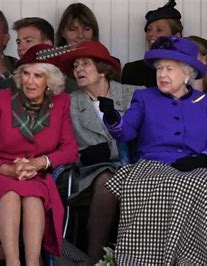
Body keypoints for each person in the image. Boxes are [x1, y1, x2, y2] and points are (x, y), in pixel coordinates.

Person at [101, 36, 207, 264]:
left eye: (169, 69)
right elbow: (126, 132)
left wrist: (204, 159)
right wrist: (112, 118)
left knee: (201, 184)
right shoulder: (144, 97)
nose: (162, 74)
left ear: (187, 74)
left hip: (196, 167)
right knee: (173, 183)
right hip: (151, 167)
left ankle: (198, 260)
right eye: (159, 69)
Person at [0, 43, 78, 263]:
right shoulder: (0, 100)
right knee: (11, 194)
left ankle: (32, 263)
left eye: (37, 76)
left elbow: (70, 150)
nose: (29, 81)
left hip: (32, 172)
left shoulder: (61, 103)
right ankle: (13, 262)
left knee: (34, 195)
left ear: (50, 81)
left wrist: (39, 163)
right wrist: (8, 169)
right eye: (25, 73)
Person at [61, 40, 141, 262]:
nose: (78, 70)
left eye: (85, 64)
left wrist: (115, 150)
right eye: (75, 66)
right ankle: (95, 259)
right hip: (89, 175)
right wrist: (83, 156)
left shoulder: (135, 95)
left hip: (133, 168)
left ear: (103, 70)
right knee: (107, 180)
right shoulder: (69, 103)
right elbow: (63, 146)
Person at [56, 3, 120, 90]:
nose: (81, 35)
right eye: (73, 29)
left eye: (86, 29)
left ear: (94, 32)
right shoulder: (53, 66)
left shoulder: (109, 63)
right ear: (63, 32)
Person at [121, 0, 183, 87]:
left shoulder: (187, 69)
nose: (150, 34)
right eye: (149, 30)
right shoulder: (132, 70)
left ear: (176, 36)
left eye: (159, 30)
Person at [0, 17, 55, 91]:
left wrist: (4, 74)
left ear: (47, 46)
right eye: (19, 42)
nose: (20, 48)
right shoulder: (12, 77)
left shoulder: (63, 81)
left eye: (28, 41)